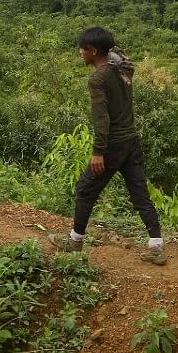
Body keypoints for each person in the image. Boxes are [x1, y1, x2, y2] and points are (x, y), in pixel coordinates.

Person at [49, 27, 166, 265]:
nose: (80, 53)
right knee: (140, 194)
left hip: (112, 146)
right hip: (131, 143)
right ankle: (156, 245)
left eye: (82, 49)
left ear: (92, 51)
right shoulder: (122, 68)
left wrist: (98, 152)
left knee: (85, 190)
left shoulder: (98, 79)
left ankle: (75, 241)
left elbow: (102, 120)